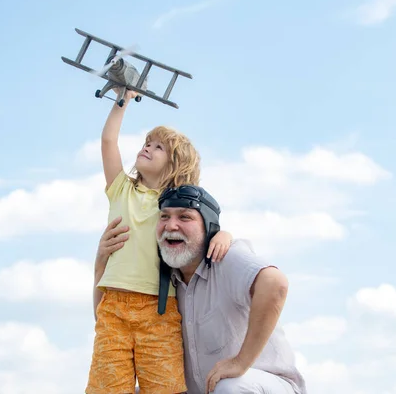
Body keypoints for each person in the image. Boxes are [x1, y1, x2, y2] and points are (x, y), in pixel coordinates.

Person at [86, 90, 233, 394]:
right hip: (113, 306)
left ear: (176, 165)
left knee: (165, 389)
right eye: (146, 144)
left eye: (158, 147)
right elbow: (108, 142)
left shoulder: (175, 206)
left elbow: (208, 228)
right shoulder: (121, 190)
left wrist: (225, 235)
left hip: (161, 308)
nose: (147, 148)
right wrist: (122, 99)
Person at [95, 184, 307, 394]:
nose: (171, 225)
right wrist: (101, 263)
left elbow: (275, 284)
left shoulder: (227, 258)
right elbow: (106, 317)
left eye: (184, 217)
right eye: (164, 216)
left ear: (209, 226)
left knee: (230, 388)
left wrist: (241, 362)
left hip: (267, 385)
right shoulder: (164, 283)